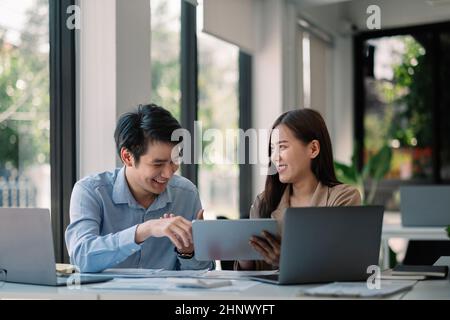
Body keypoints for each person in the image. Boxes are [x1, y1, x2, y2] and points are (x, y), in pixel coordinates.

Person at [65, 104, 214, 273]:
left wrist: (189, 252)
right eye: (158, 163)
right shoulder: (91, 191)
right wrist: (145, 230)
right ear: (127, 157)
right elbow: (81, 257)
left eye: (174, 161)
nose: (168, 173)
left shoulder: (186, 194)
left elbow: (204, 272)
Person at [236, 108, 361, 271]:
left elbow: (343, 264)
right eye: (272, 149)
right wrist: (244, 257)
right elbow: (256, 271)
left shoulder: (343, 198)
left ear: (313, 149)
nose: (275, 157)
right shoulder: (264, 202)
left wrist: (288, 260)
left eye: (282, 147)